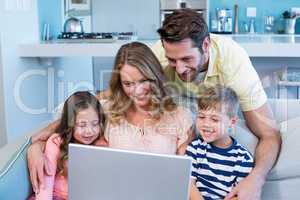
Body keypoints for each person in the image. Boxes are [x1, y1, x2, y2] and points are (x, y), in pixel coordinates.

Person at [27, 42, 193, 193]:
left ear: (155, 77)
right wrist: (36, 148)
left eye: (143, 81)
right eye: (128, 84)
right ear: (119, 84)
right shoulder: (106, 111)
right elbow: (69, 129)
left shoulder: (180, 116)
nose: (137, 91)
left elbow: (190, 173)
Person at [151, 8, 281, 199]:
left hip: (219, 111)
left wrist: (256, 179)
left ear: (205, 45)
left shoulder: (233, 61)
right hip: (179, 111)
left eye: (187, 59)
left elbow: (269, 133)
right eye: (172, 60)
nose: (179, 68)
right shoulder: (158, 54)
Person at [28, 91, 106, 200]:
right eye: (82, 125)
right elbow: (45, 185)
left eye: (95, 124)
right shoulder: (56, 143)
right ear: (70, 124)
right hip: (56, 196)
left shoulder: (101, 145)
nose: (89, 131)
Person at [186, 85, 254, 200]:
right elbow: (189, 184)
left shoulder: (243, 159)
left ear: (232, 122)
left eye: (214, 119)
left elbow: (239, 195)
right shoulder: (195, 148)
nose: (206, 124)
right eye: (201, 117)